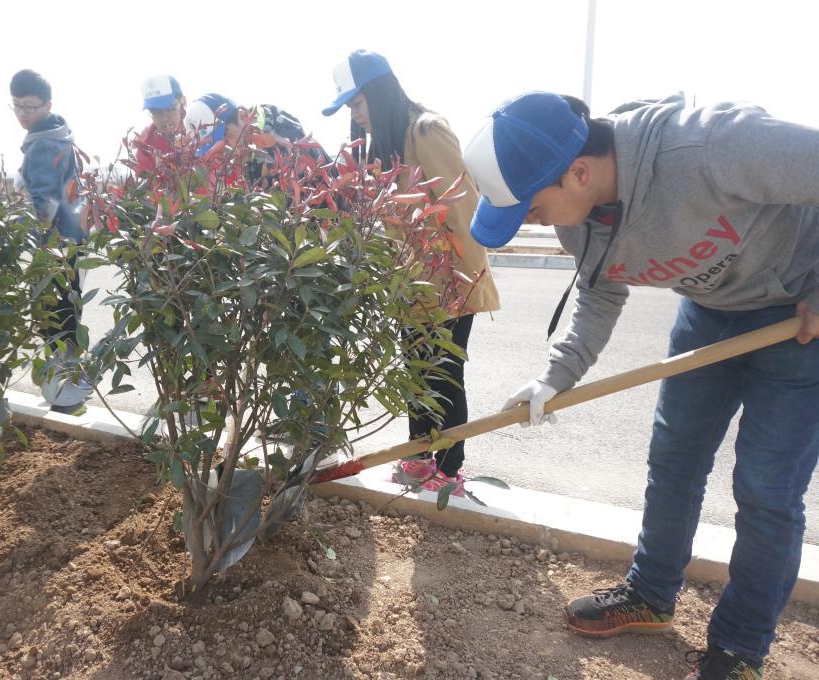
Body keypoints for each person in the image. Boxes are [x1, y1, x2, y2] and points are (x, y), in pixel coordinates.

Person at [463, 90, 819, 680]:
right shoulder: (579, 217)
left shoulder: (709, 146)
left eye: (531, 208)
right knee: (674, 460)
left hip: (797, 318)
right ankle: (651, 594)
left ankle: (739, 648)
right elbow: (600, 293)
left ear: (578, 172)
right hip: (708, 312)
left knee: (766, 490)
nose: (529, 220)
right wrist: (553, 379)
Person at [322, 49, 500, 496]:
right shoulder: (388, 145)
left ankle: (450, 470)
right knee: (416, 375)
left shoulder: (426, 131)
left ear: (380, 93)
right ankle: (420, 460)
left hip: (449, 284)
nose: (355, 115)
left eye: (358, 103)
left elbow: (460, 210)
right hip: (412, 286)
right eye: (349, 107)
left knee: (444, 377)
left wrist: (460, 288)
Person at [9, 69, 91, 412]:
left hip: (56, 244)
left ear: (47, 105)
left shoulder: (44, 143)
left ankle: (67, 394)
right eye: (17, 106)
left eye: (29, 106)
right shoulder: (55, 136)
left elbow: (44, 202)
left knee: (56, 317)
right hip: (69, 239)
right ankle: (69, 388)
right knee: (67, 313)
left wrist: (23, 235)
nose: (22, 113)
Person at [184, 93, 330, 187]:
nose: (228, 147)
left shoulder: (278, 126)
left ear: (242, 115)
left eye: (227, 136)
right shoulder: (246, 154)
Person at [134, 75, 186, 175]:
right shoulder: (145, 147)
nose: (163, 118)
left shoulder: (200, 133)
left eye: (169, 108)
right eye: (155, 112)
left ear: (182, 102)